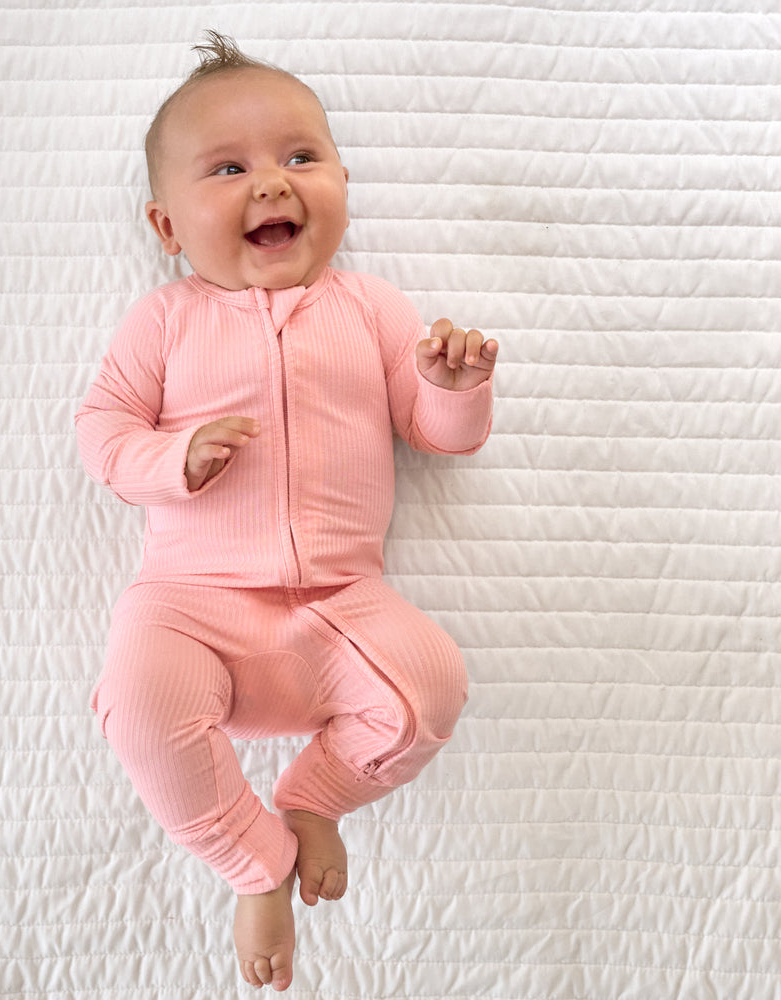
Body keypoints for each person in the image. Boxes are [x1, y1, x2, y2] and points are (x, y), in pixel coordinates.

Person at [76, 31, 498, 993]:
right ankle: (254, 860)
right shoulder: (166, 321)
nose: (273, 183)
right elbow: (102, 432)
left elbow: (438, 435)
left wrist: (453, 386)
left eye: (300, 157)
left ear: (343, 179)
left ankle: (311, 800)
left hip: (340, 605)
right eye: (228, 168)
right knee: (138, 708)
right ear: (168, 225)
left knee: (431, 688)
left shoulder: (371, 308)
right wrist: (173, 457)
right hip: (191, 602)